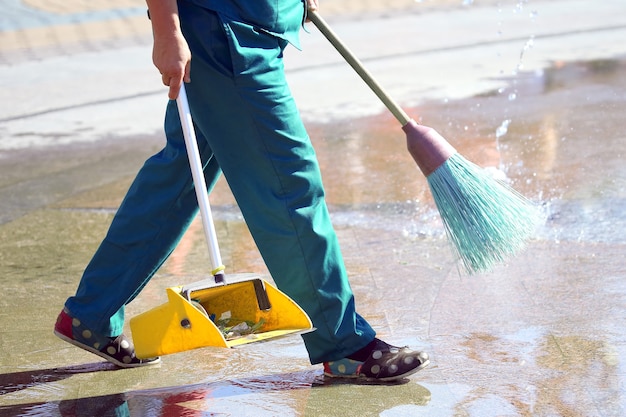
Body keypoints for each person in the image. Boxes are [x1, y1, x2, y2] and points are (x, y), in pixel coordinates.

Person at [53, 0, 430, 381]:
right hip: (224, 33)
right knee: (289, 184)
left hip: (242, 26)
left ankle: (92, 312)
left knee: (181, 174)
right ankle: (344, 343)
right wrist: (166, 28)